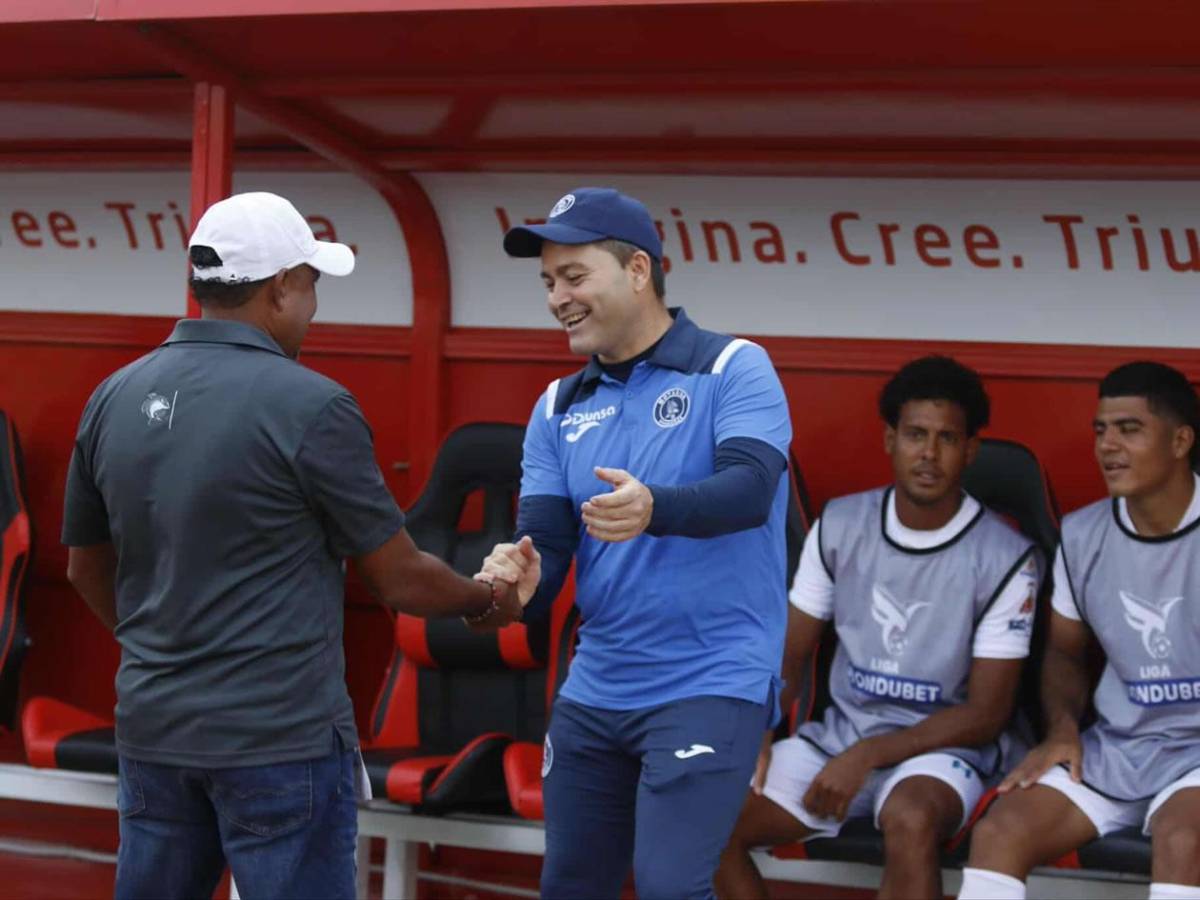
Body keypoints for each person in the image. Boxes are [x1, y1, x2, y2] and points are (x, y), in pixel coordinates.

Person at [61, 192, 526, 900]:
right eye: (310, 285)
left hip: (154, 727)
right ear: (280, 288)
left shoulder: (112, 395)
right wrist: (486, 599)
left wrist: (160, 650)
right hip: (279, 740)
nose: (313, 306)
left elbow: (84, 566)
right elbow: (400, 578)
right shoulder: (313, 405)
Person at [476, 187, 793, 900]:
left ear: (639, 271)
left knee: (669, 888)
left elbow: (749, 490)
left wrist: (656, 507)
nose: (558, 297)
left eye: (575, 276)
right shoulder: (557, 404)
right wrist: (515, 579)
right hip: (599, 685)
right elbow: (549, 543)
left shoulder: (733, 366)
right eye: (548, 283)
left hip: (712, 679)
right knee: (570, 887)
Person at [716, 356, 1041, 900]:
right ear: (890, 439)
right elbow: (789, 656)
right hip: (840, 740)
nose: (929, 454)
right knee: (706, 820)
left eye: (947, 439)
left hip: (942, 753)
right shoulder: (841, 525)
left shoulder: (1007, 555)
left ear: (971, 450)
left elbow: (986, 714)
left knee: (910, 819)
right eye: (915, 434)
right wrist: (759, 730)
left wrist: (867, 756)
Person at [960, 361, 1200, 900]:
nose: (1108, 445)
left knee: (1183, 837)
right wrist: (1063, 729)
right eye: (1101, 430)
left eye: (1129, 429)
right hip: (1118, 749)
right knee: (1001, 830)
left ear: (1181, 440)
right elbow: (1065, 654)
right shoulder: (1083, 533)